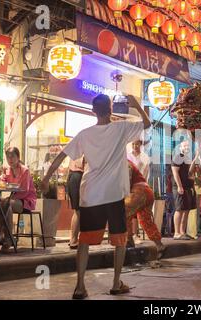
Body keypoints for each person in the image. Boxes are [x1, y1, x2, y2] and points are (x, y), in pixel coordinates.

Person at [41, 94, 151, 300]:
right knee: (120, 240)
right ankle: (116, 282)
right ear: (110, 110)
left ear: (93, 111)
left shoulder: (85, 134)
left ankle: (80, 286)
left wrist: (46, 177)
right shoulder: (121, 129)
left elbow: (61, 156)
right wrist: (135, 104)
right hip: (113, 194)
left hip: (91, 194)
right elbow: (146, 123)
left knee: (84, 241)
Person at [0, 147, 37, 252]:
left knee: (6, 204)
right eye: (8, 157)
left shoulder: (25, 171)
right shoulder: (7, 170)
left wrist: (11, 198)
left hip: (26, 201)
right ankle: (9, 237)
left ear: (18, 157)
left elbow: (25, 190)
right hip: (14, 200)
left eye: (12, 156)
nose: (10, 159)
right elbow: (1, 182)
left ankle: (7, 239)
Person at [125, 160, 165, 257]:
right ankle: (159, 245)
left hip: (139, 191)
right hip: (147, 191)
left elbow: (128, 179)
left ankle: (128, 243)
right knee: (145, 220)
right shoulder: (126, 162)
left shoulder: (124, 162)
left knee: (123, 214)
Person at [171, 140, 197, 240]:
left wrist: (195, 159)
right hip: (180, 187)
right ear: (180, 147)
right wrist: (179, 186)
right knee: (180, 209)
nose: (187, 148)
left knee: (186, 210)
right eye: (185, 146)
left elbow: (190, 172)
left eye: (188, 146)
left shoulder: (187, 158)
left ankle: (183, 232)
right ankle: (177, 233)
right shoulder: (177, 157)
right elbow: (175, 173)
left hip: (188, 187)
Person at [127, 140, 150, 245]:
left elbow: (145, 172)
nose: (135, 146)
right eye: (133, 144)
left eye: (137, 144)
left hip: (138, 185)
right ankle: (129, 235)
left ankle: (135, 234)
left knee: (136, 212)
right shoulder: (128, 156)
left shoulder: (145, 157)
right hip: (127, 184)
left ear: (140, 145)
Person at [66, 157, 84, 249]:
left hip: (73, 176)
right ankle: (74, 240)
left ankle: (73, 239)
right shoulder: (83, 146)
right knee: (78, 211)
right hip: (78, 177)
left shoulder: (77, 146)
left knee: (77, 211)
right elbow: (80, 164)